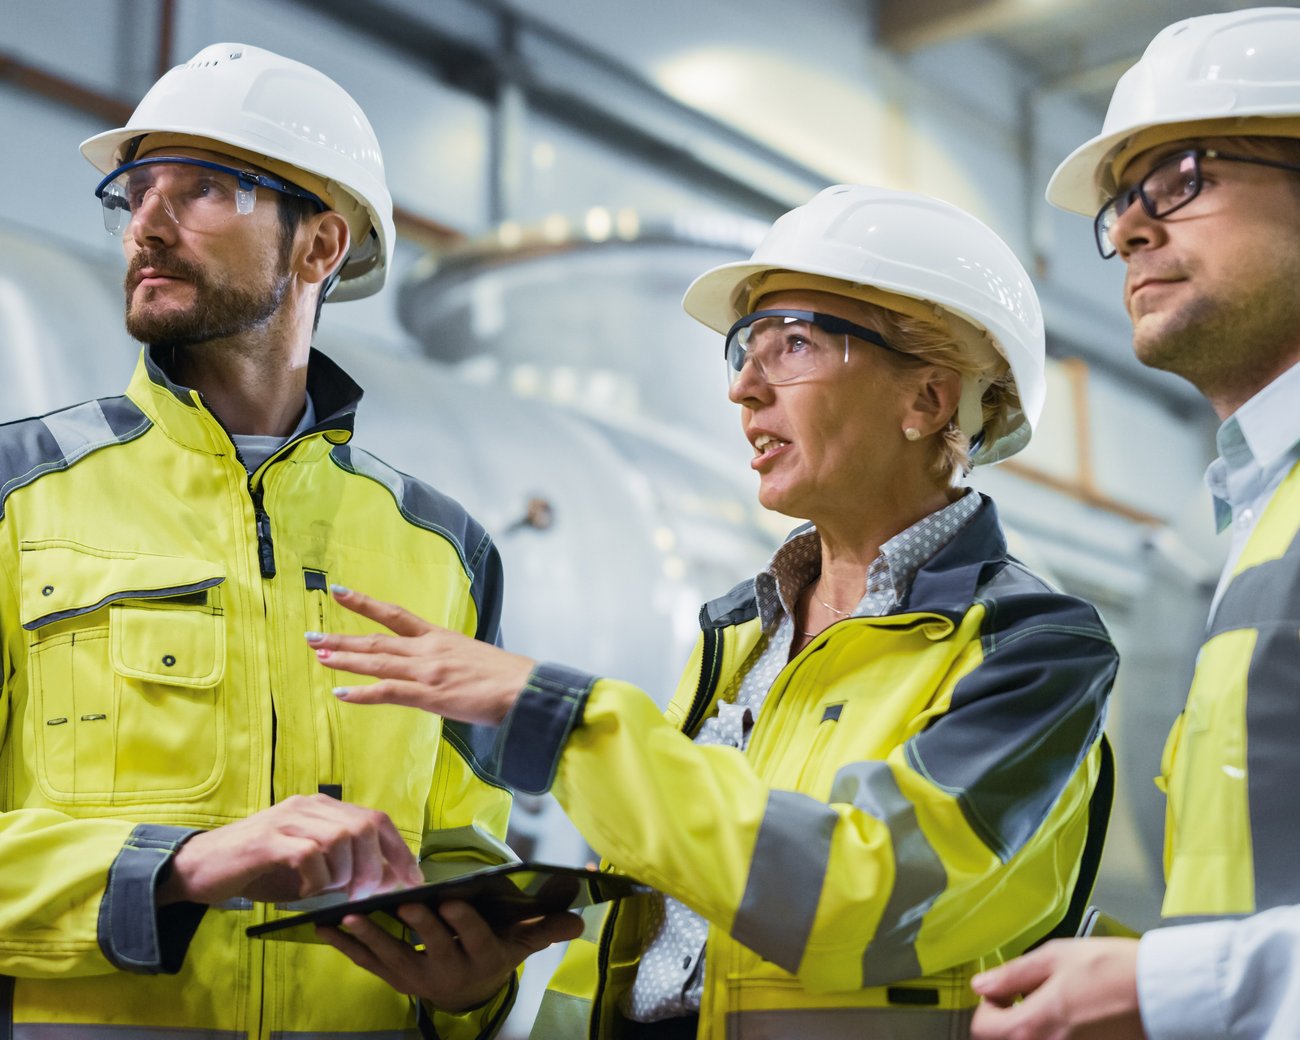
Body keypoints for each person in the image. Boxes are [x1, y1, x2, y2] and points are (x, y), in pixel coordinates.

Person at [304, 183, 1119, 1039]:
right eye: (745, 349)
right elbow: (641, 941)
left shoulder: (1037, 652)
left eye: (794, 344)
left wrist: (559, 715)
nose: (745, 390)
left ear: (929, 401)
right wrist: (473, 995)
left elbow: (863, 900)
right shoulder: (740, 634)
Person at [0, 42, 577, 1037]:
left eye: (203, 190)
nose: (147, 223)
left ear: (319, 245)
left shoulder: (444, 546)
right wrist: (179, 866)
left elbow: (459, 847)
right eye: (135, 192)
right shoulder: (21, 492)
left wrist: (469, 990)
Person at [970, 8, 1300, 1039]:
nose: (1126, 230)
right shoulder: (1260, 513)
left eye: (1183, 178)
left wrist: (1174, 989)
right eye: (1120, 203)